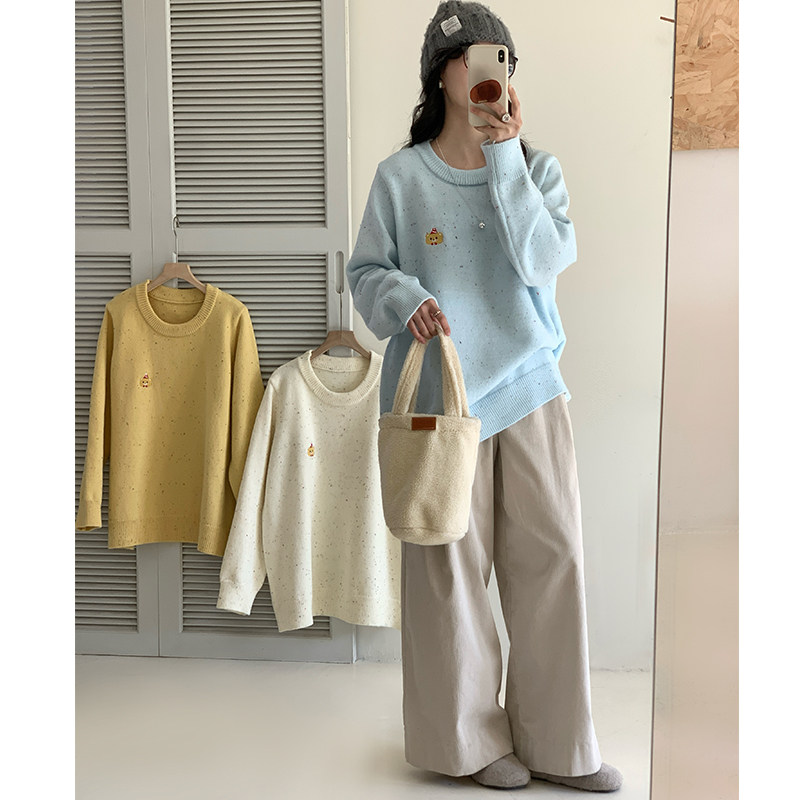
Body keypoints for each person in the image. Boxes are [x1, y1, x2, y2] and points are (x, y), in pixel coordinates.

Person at [346, 1, 623, 792]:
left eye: (502, 59)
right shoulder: (401, 179)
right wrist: (403, 298)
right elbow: (365, 275)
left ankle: (560, 745)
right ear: (443, 73)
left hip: (530, 390)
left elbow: (543, 263)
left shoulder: (536, 169)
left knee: (554, 563)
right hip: (443, 402)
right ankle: (464, 747)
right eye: (474, 58)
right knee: (448, 575)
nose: (489, 73)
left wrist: (504, 159)